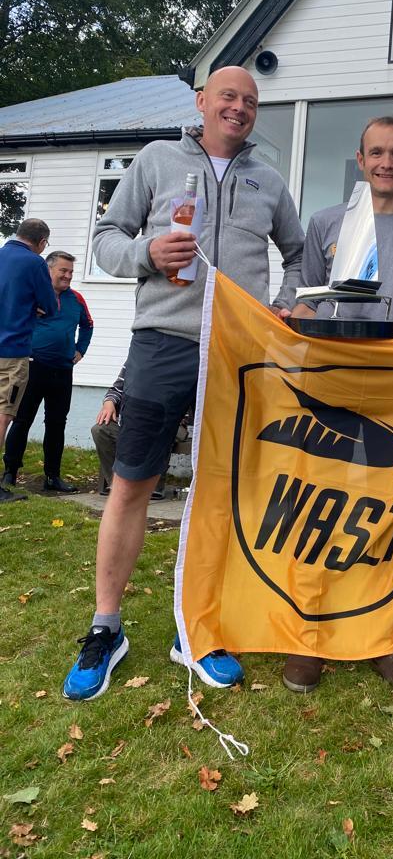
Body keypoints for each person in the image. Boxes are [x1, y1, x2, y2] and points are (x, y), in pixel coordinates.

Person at [62, 65, 305, 702]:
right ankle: (105, 627)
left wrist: (284, 305)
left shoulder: (268, 181)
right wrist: (146, 255)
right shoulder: (155, 159)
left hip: (239, 349)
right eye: (228, 96)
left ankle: (197, 626)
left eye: (250, 101)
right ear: (202, 102)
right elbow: (105, 240)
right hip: (161, 345)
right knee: (132, 483)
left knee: (222, 491)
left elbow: (302, 255)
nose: (240, 107)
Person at [288, 115, 393, 697]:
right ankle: (309, 634)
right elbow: (303, 299)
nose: (387, 163)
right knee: (319, 504)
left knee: (388, 511)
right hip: (331, 385)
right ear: (359, 161)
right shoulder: (326, 224)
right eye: (376, 153)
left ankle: (385, 637)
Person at [3, 251, 93, 494]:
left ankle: (52, 477)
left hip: (63, 370)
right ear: (48, 271)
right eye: (63, 270)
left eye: (71, 272)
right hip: (33, 367)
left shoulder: (76, 299)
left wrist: (80, 350)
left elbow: (88, 325)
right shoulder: (33, 297)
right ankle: (10, 472)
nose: (68, 276)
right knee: (22, 420)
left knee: (56, 424)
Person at [0, 219, 59, 504]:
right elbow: (50, 305)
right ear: (42, 242)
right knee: (3, 415)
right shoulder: (34, 263)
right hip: (11, 352)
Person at [91, 362, 190, 499]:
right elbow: (116, 389)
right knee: (101, 430)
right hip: (132, 421)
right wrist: (109, 403)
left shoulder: (178, 362)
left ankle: (153, 486)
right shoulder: (136, 360)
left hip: (169, 421)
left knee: (157, 427)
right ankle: (117, 483)